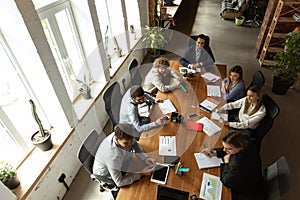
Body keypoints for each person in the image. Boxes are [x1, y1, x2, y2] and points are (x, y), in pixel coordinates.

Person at [202, 130, 264, 200]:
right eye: (224, 147)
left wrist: (226, 162)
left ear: (239, 146)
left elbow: (227, 181)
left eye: (228, 149)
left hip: (248, 192)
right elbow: (229, 147)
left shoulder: (238, 163)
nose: (225, 150)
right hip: (253, 176)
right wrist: (216, 152)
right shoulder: (247, 141)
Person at [93, 123, 155, 189]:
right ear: (116, 139)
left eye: (131, 141)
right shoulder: (113, 157)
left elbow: (135, 145)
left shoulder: (124, 136)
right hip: (106, 174)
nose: (129, 145)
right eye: (125, 143)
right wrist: (141, 173)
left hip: (119, 161)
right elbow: (119, 182)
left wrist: (145, 158)